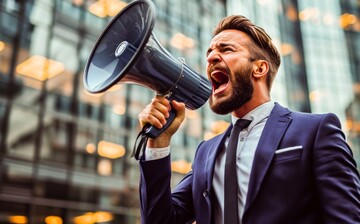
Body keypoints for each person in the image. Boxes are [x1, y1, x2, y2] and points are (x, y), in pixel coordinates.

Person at [137, 15, 360, 224]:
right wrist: (158, 143)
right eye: (210, 53)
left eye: (226, 49)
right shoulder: (205, 152)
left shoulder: (315, 130)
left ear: (260, 68)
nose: (212, 57)